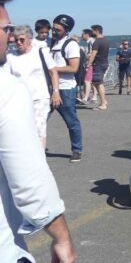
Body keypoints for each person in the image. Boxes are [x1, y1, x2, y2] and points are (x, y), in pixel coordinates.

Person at [0, 0, 77, 263]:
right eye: (5, 30)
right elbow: (29, 179)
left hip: (40, 103)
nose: (10, 36)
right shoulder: (5, 89)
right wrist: (61, 236)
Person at [7, 24, 60, 149]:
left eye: (22, 40)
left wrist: (56, 92)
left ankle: (40, 158)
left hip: (39, 97)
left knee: (39, 129)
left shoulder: (41, 52)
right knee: (22, 129)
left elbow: (53, 72)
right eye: (16, 40)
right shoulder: (10, 57)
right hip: (19, 99)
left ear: (30, 39)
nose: (18, 43)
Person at [49, 14, 85, 162]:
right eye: (53, 28)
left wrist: (53, 68)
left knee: (71, 121)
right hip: (49, 87)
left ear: (66, 30)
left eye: (57, 29)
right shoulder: (51, 43)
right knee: (39, 119)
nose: (54, 32)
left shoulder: (71, 45)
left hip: (65, 88)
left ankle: (76, 149)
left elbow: (73, 68)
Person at [88, 24, 110, 110]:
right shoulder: (106, 40)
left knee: (98, 83)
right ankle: (104, 100)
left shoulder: (97, 42)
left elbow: (93, 54)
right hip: (104, 62)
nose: (91, 32)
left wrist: (88, 64)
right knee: (98, 83)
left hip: (98, 64)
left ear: (96, 31)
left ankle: (103, 104)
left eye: (92, 31)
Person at [79, 28, 96, 104]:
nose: (81, 35)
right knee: (92, 81)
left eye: (82, 34)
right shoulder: (90, 42)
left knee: (87, 80)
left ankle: (85, 98)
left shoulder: (91, 42)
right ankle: (94, 97)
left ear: (87, 35)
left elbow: (93, 53)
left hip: (91, 64)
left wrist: (88, 62)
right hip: (92, 63)